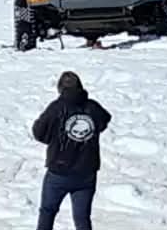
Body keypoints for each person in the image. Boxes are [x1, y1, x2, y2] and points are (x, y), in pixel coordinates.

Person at [30, 71, 111, 230]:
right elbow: (104, 121)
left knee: (47, 212)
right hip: (86, 173)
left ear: (60, 89)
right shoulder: (92, 107)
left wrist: (52, 139)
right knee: (82, 219)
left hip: (58, 172)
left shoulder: (56, 108)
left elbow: (38, 132)